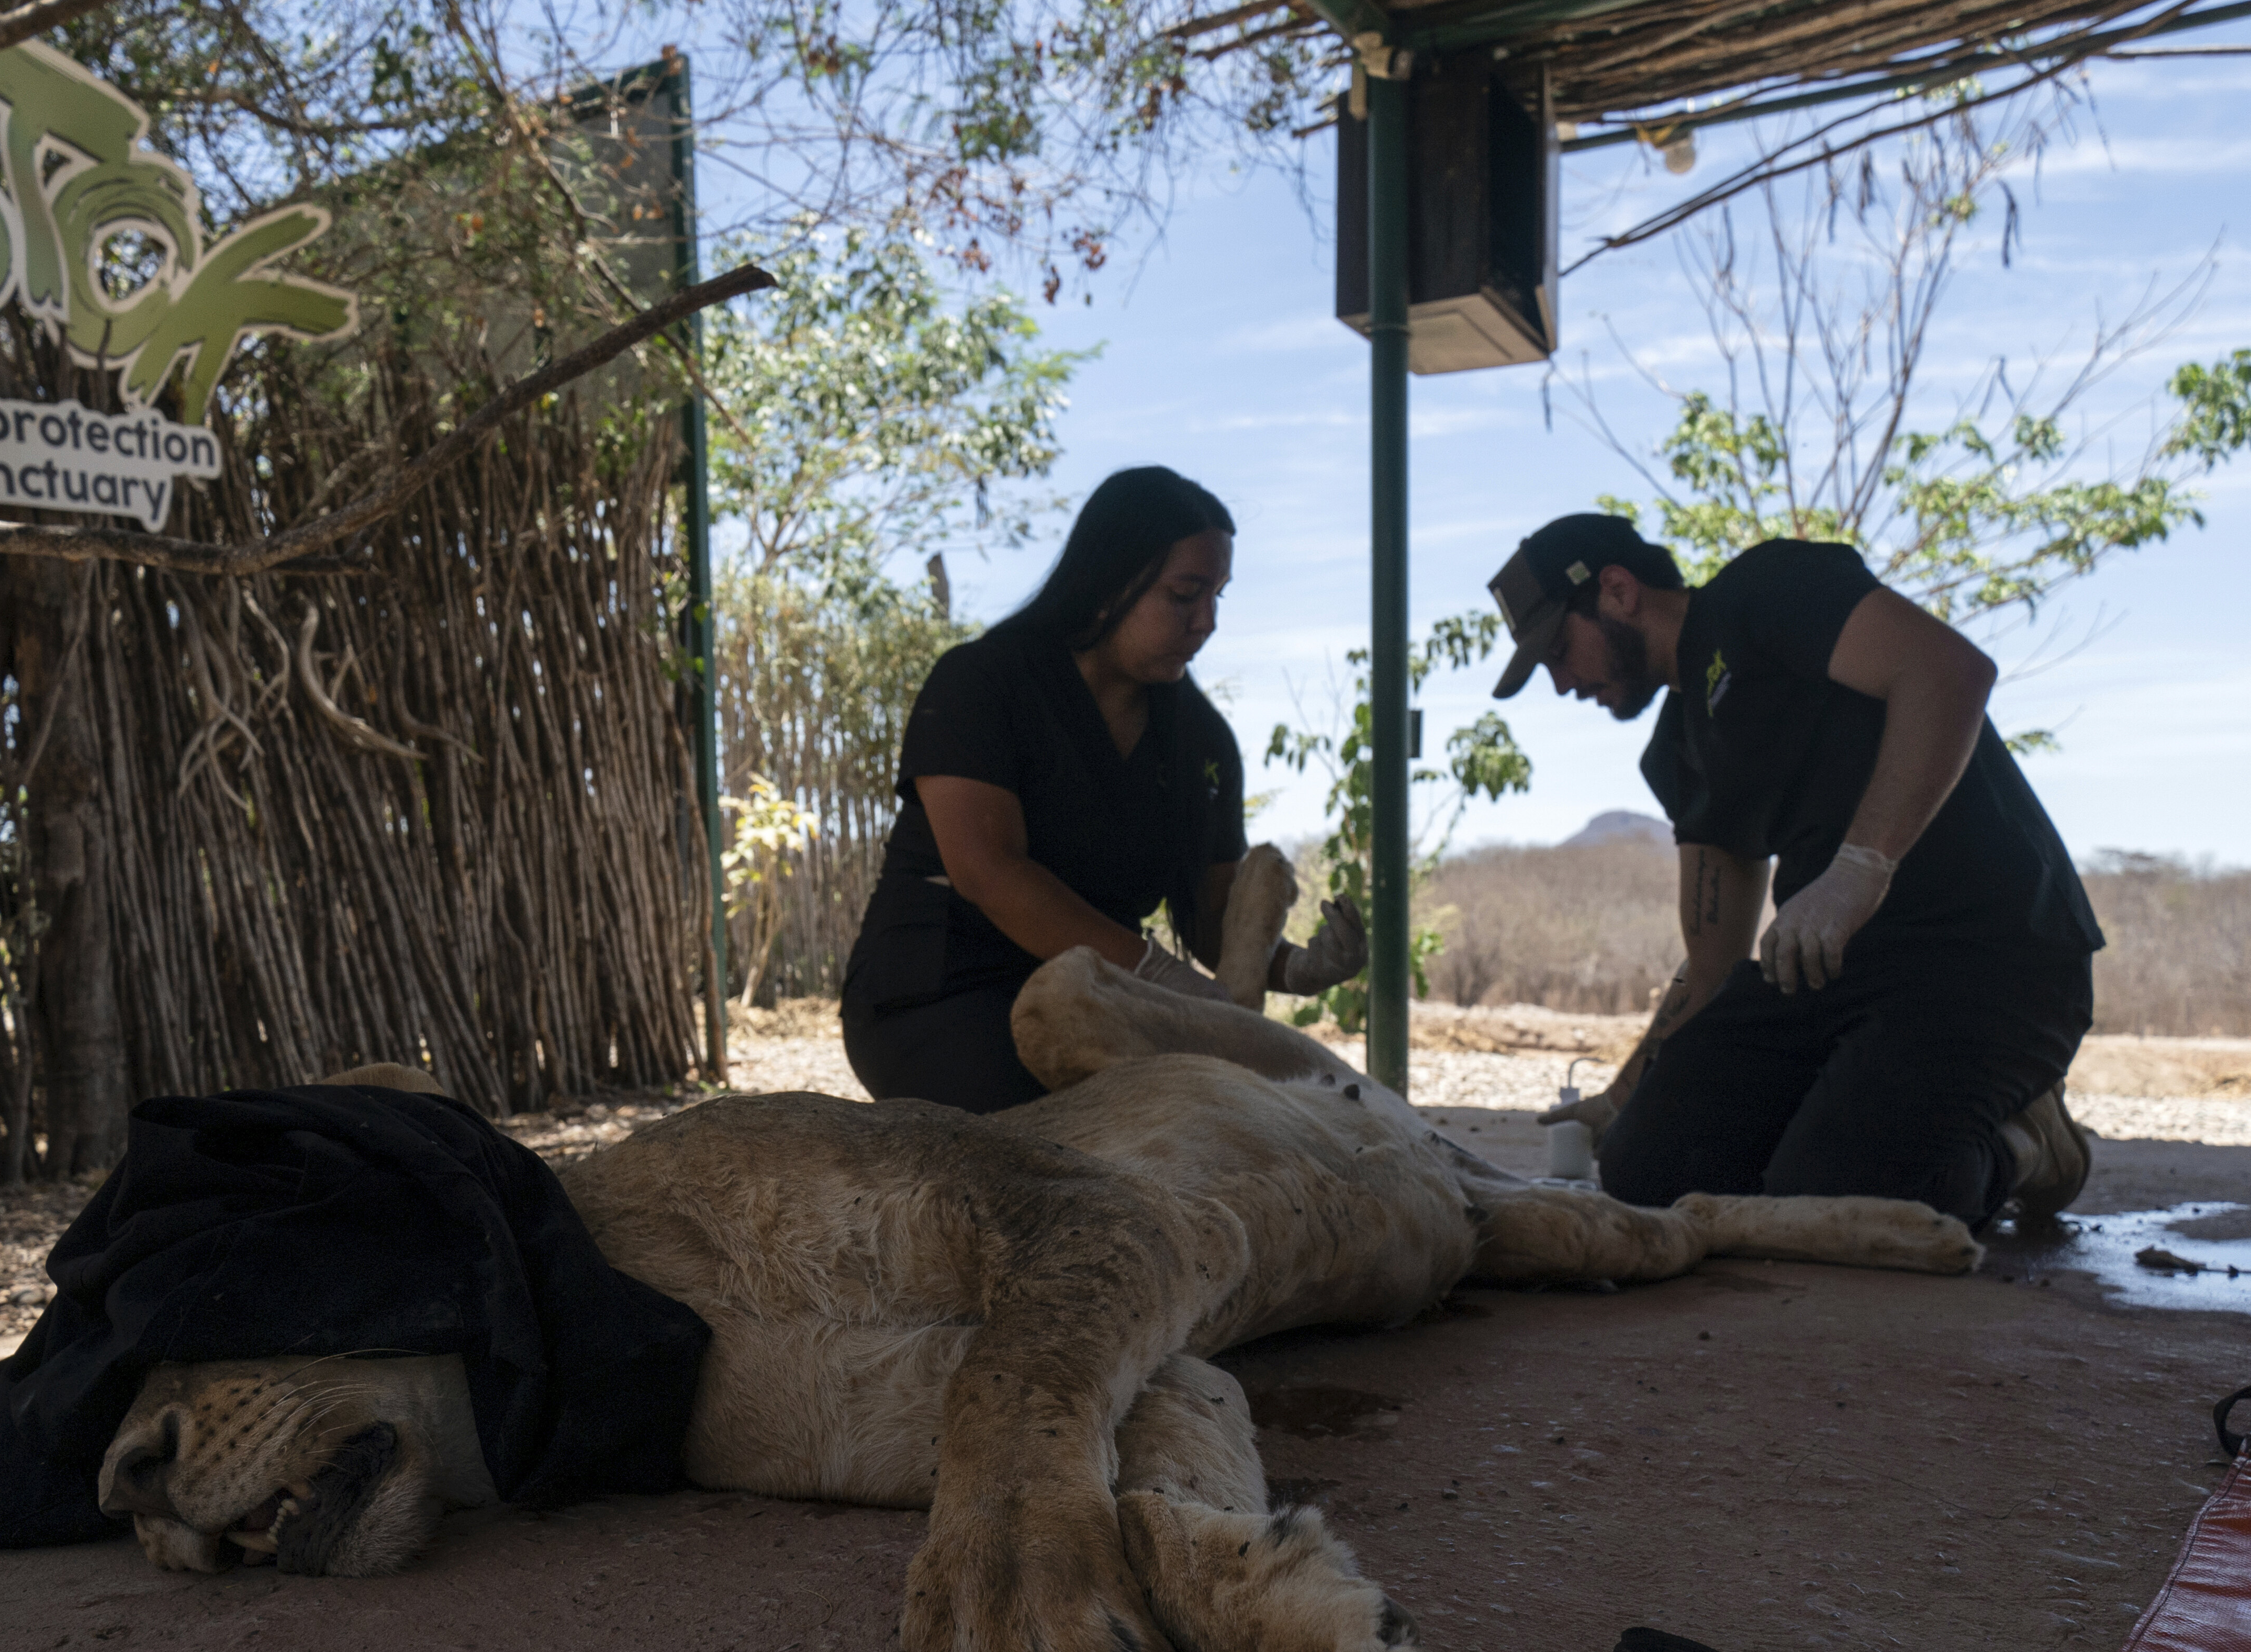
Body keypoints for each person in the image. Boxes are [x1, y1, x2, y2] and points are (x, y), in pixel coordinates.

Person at [1486, 511, 2096, 1228]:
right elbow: (1713, 965)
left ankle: (2032, 1144)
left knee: (1850, 1189)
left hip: (1989, 954)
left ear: (1618, 591)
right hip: (1834, 975)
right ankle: (1835, 1134)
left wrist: (1858, 871)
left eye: (1559, 649)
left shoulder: (1766, 590)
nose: (1561, 684)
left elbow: (1950, 671)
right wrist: (1623, 1097)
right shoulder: (1679, 748)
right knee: (1645, 1167)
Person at [839, 466, 1365, 1111]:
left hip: (1105, 1004)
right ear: (1111, 581)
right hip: (942, 992)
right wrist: (1155, 974)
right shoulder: (981, 683)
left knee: (1255, 1115)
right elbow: (989, 870)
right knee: (1081, 1134)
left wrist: (1291, 967)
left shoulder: (1201, 743)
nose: (1208, 622)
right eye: (1184, 594)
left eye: (1218, 597)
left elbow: (1212, 917)